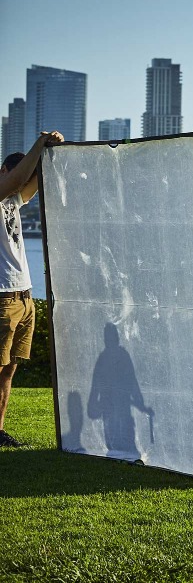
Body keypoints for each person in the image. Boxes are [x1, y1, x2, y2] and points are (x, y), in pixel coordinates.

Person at [0, 130, 65, 448]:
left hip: (23, 297)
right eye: (19, 176)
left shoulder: (12, 200)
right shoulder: (4, 189)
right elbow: (16, 180)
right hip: (2, 298)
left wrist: (50, 152)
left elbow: (31, 183)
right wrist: (39, 143)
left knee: (8, 371)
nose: (21, 183)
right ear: (4, 170)